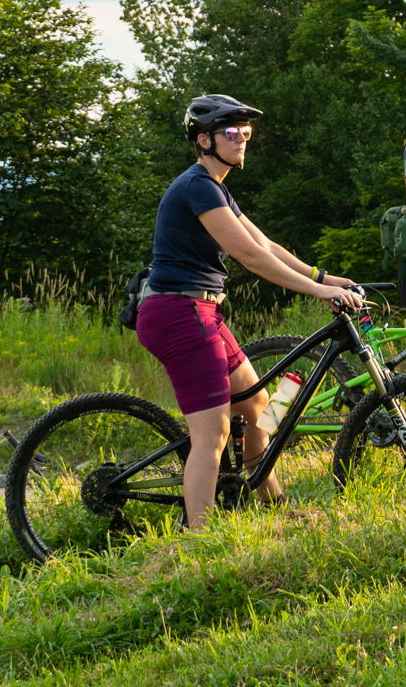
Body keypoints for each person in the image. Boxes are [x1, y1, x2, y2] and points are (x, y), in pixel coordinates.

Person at [134, 94, 363, 530]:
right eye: (232, 132)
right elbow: (249, 258)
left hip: (201, 312)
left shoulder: (214, 187)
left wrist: (324, 276)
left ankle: (273, 504)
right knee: (213, 433)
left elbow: (265, 245)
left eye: (247, 132)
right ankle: (199, 539)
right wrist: (316, 292)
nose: (243, 139)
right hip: (179, 313)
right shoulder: (197, 185)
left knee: (261, 406)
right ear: (204, 140)